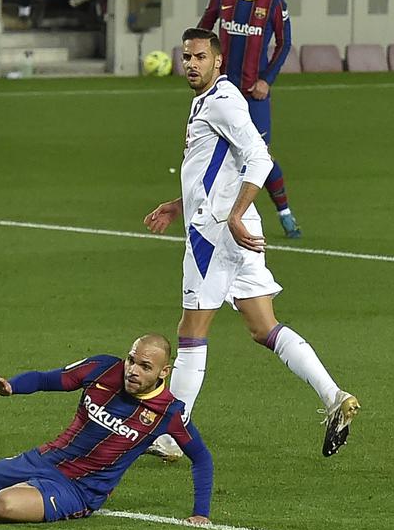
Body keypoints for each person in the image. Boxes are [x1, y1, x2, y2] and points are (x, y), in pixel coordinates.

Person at [142, 28, 360, 460]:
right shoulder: (208, 100)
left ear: (218, 61)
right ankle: (334, 396)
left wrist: (236, 213)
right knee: (264, 327)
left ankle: (171, 436)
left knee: (190, 333)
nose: (191, 64)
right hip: (233, 229)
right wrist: (176, 204)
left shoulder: (222, 102)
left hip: (217, 233)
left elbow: (260, 157)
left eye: (200, 57)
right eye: (186, 57)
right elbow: (214, 171)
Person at [0, 334, 212, 523]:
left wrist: (201, 512)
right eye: (131, 360)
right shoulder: (103, 368)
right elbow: (48, 379)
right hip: (44, 460)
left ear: (163, 372)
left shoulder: (169, 412)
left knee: (4, 506)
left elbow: (201, 457)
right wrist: (12, 387)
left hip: (79, 488)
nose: (133, 370)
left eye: (145, 367)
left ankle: (7, 500)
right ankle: (24, 490)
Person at [196, 0, 300, 239]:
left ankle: (285, 214)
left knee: (259, 156)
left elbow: (284, 44)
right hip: (222, 92)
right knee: (210, 152)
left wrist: (267, 79)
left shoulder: (275, 2)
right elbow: (204, 32)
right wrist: (204, 67)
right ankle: (209, 213)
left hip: (254, 95)